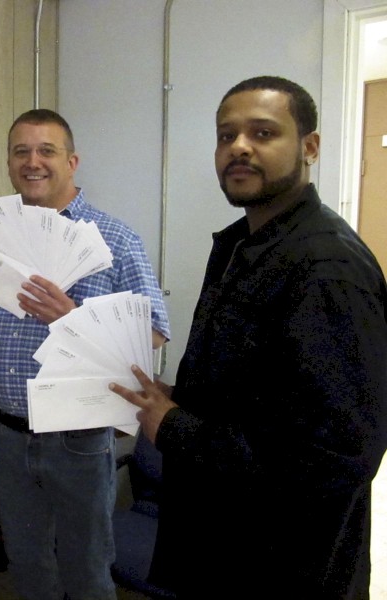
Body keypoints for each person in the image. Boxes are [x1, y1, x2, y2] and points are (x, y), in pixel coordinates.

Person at [111, 76, 387, 598]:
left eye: (263, 133)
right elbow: (256, 392)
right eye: (226, 136)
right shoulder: (244, 246)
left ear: (310, 147)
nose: (238, 147)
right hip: (218, 547)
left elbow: (338, 457)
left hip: (280, 567)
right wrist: (180, 402)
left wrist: (176, 429)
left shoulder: (326, 268)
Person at [0, 109, 170, 600]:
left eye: (46, 151)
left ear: (72, 161)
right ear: (9, 162)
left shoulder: (116, 239)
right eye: (21, 151)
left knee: (86, 568)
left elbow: (154, 333)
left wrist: (72, 317)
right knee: (27, 561)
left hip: (79, 439)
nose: (32, 162)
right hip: (6, 436)